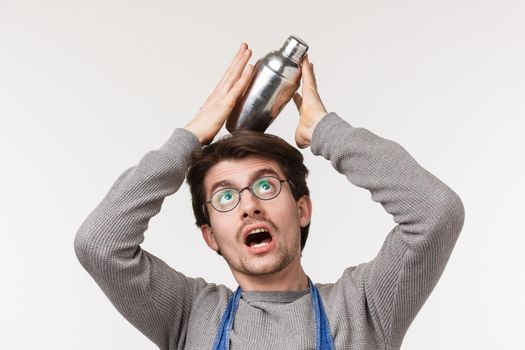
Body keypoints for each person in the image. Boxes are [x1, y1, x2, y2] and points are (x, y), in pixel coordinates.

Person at [74, 42, 465, 349]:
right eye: (225, 197)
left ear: (302, 208)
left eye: (265, 185)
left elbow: (435, 211)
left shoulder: (366, 307)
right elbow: (100, 244)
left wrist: (324, 130)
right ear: (209, 234)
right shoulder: (189, 315)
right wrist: (190, 138)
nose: (249, 205)